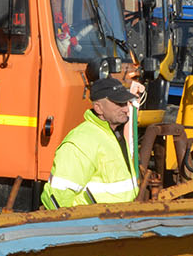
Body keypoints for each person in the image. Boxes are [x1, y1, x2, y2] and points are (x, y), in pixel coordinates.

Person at [41, 77, 139, 207]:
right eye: (119, 104)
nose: (126, 109)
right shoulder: (81, 141)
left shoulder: (113, 134)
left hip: (114, 221)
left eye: (126, 103)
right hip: (93, 224)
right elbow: (57, 199)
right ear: (98, 108)